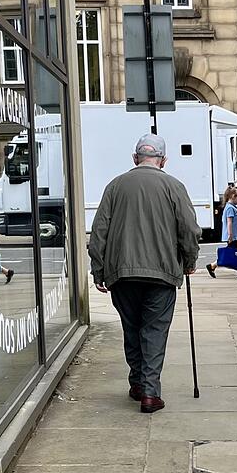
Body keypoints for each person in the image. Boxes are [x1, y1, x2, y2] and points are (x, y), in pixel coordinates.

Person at [88, 134, 200, 414]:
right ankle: (150, 392)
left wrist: (98, 269)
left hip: (122, 272)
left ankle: (138, 383)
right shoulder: (174, 186)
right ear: (163, 161)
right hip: (161, 272)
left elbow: (99, 231)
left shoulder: (115, 186)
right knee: (154, 330)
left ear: (135, 158)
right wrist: (189, 260)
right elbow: (188, 229)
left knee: (132, 328)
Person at [206, 185, 237, 278]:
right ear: (233, 196)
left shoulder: (231, 206)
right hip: (233, 236)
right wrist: (230, 235)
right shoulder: (230, 208)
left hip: (235, 236)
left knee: (235, 252)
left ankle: (213, 266)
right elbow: (229, 222)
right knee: (235, 253)